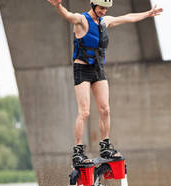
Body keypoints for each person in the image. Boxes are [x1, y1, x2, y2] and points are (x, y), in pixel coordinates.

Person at [47, 0, 163, 164]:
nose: (104, 12)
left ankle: (105, 146)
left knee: (105, 109)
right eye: (101, 8)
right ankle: (78, 151)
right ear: (93, 5)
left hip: (98, 70)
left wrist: (148, 13)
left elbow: (128, 17)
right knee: (84, 112)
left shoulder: (105, 21)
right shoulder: (82, 20)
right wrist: (58, 5)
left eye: (106, 9)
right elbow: (67, 15)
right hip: (82, 69)